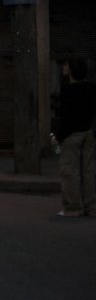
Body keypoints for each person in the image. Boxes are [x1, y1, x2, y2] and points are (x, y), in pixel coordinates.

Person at [53, 58, 95, 217]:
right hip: (88, 133)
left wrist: (58, 137)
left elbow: (66, 118)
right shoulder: (91, 87)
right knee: (88, 172)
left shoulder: (67, 90)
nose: (64, 67)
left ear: (71, 70)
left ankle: (73, 208)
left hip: (71, 135)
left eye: (66, 66)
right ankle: (91, 207)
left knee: (69, 172)